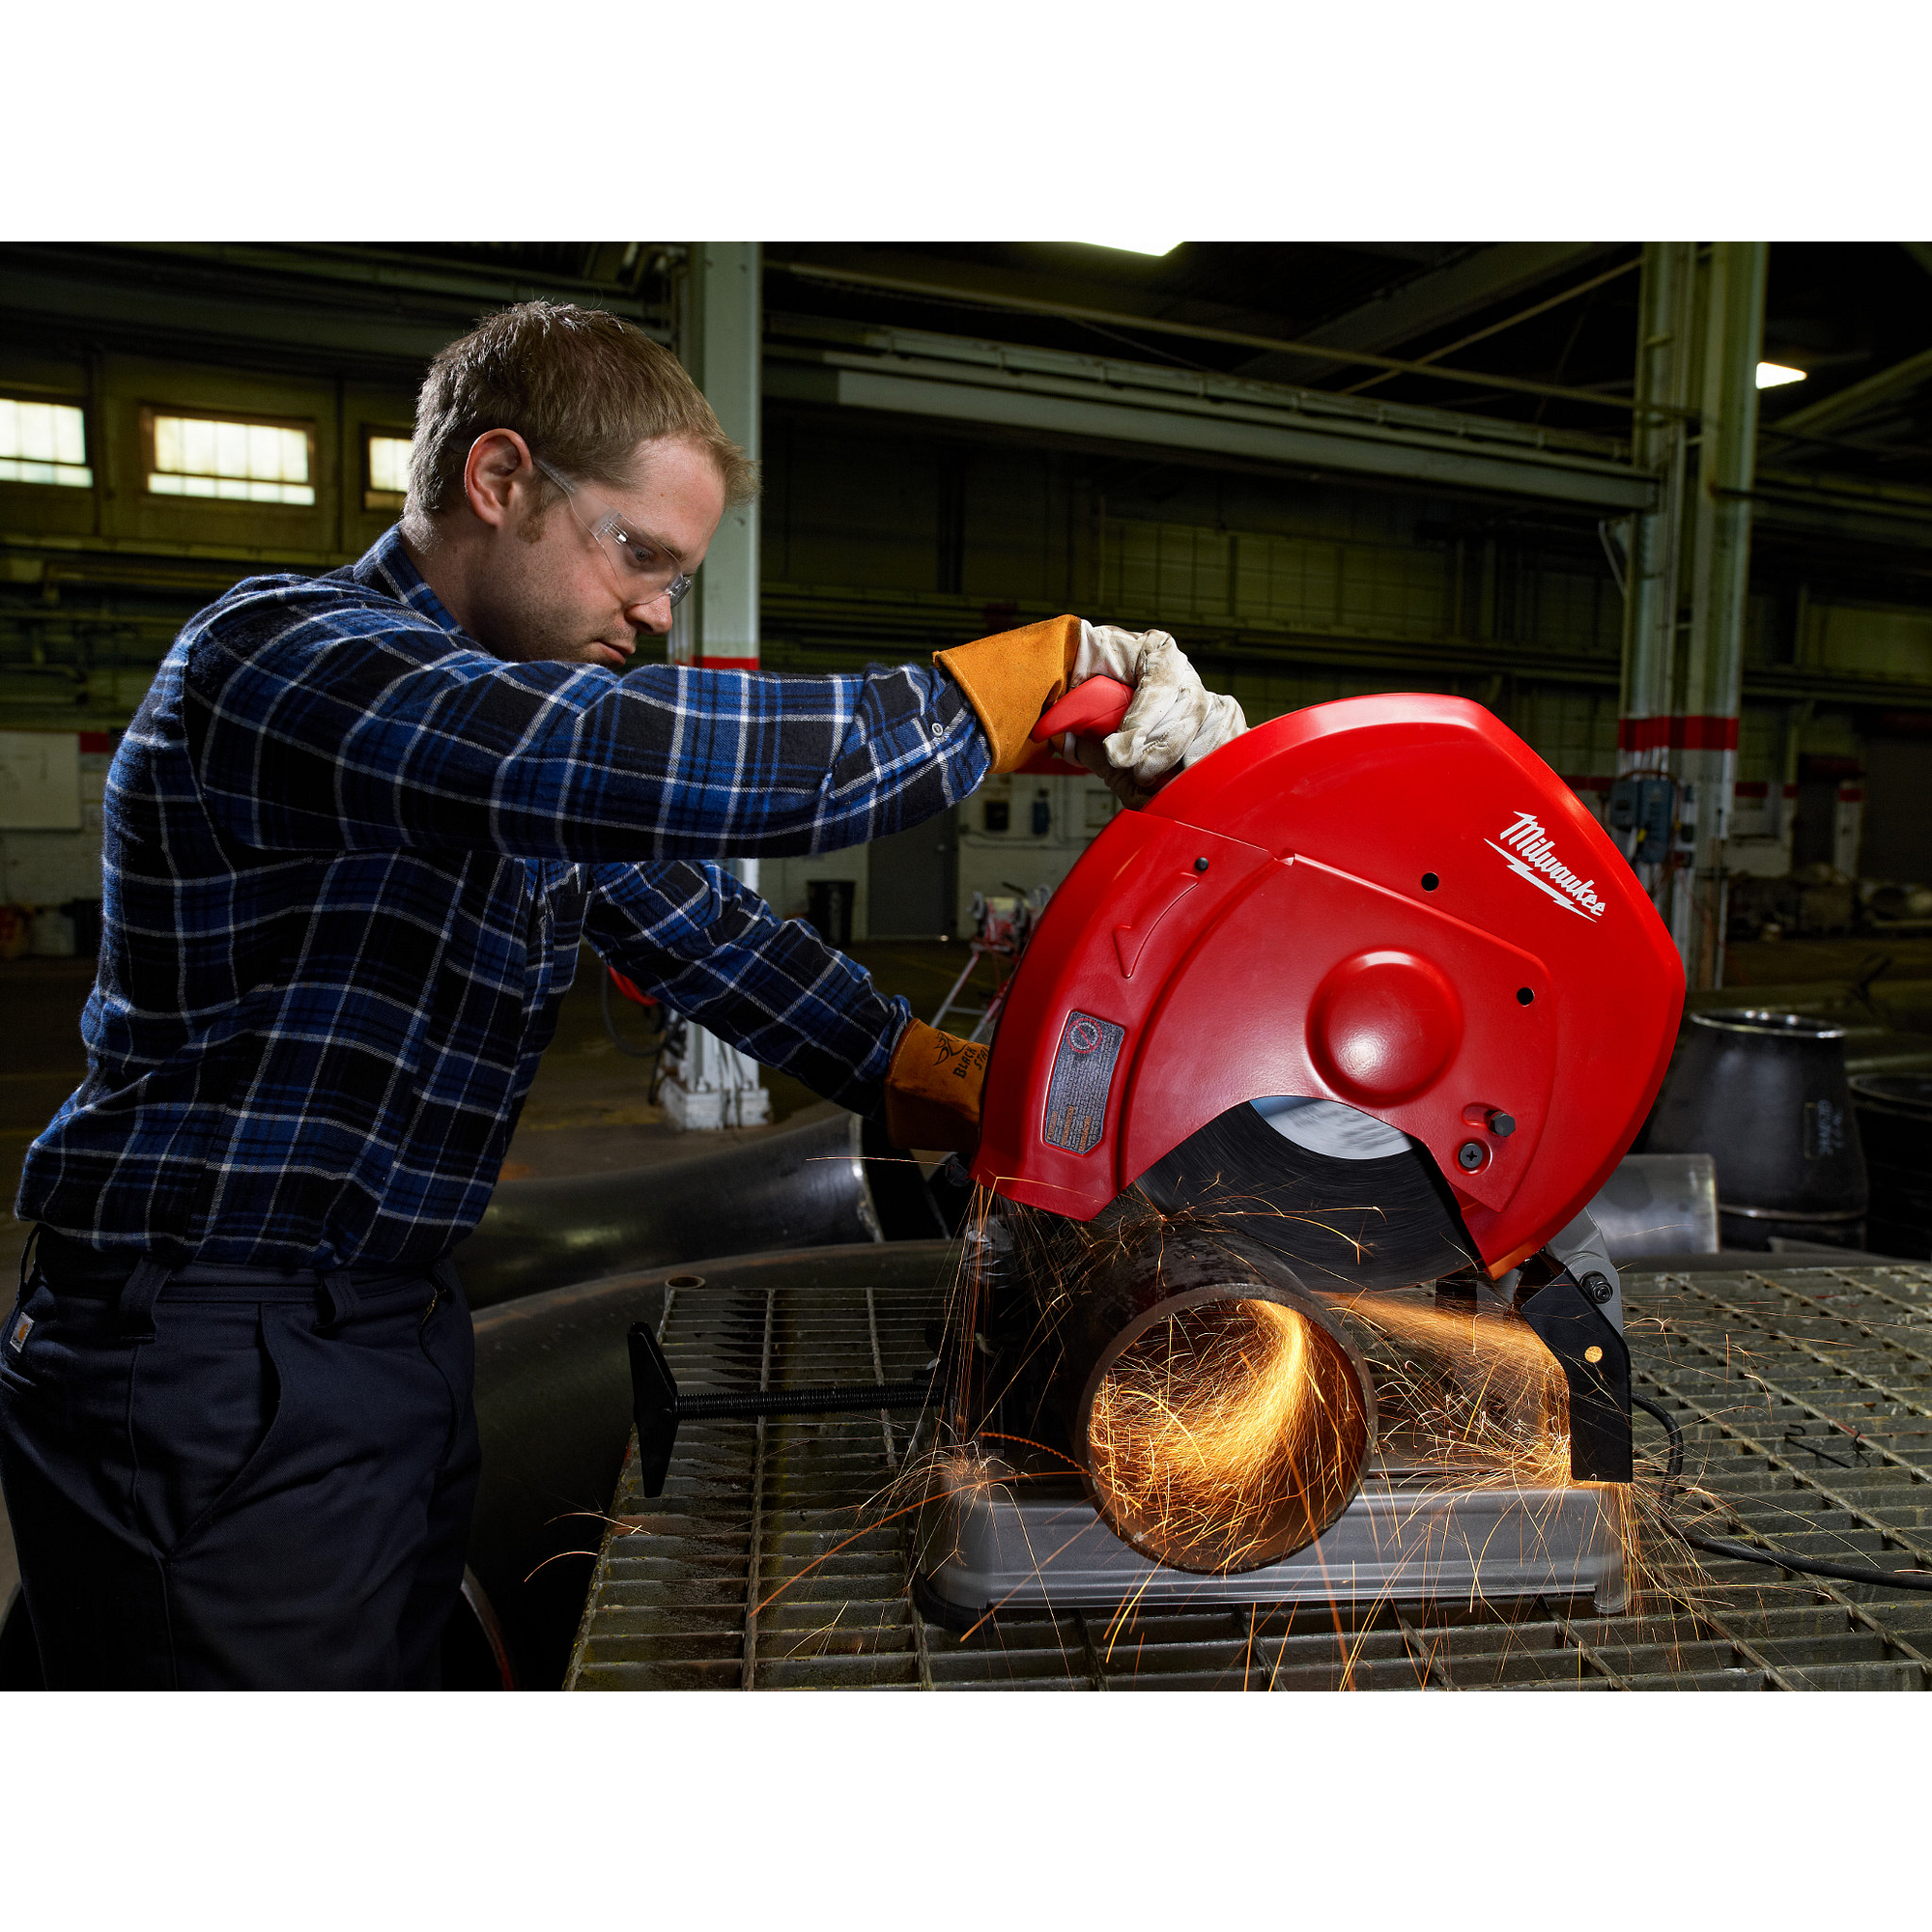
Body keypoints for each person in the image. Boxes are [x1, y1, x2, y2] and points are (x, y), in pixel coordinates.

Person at [0, 300, 1244, 1689]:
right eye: (637, 554)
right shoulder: (291, 661)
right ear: (498, 478)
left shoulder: (508, 741)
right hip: (208, 1346)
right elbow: (633, 760)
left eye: (677, 576)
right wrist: (1019, 688)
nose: (656, 612)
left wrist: (958, 1088)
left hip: (380, 1327)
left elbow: (719, 941)